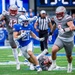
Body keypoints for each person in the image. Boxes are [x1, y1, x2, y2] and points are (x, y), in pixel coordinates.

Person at [48, 6, 75, 73]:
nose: (58, 15)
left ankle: (69, 64)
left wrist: (65, 30)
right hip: (60, 38)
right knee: (53, 50)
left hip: (68, 39)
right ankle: (54, 64)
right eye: (57, 14)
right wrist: (51, 33)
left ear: (64, 13)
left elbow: (73, 27)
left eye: (60, 14)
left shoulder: (67, 18)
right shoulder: (55, 18)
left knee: (69, 56)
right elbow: (54, 25)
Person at [0, 4, 20, 70]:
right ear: (9, 10)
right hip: (11, 33)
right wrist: (2, 15)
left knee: (25, 48)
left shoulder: (19, 15)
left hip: (19, 32)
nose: (13, 12)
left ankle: (30, 63)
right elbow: (0, 19)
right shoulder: (6, 15)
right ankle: (17, 62)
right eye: (12, 10)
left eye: (15, 11)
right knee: (14, 48)